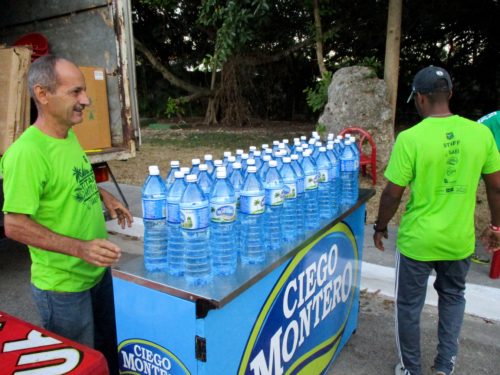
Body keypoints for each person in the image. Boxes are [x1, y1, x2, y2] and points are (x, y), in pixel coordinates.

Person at [0, 55, 133, 374]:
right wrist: (80, 248)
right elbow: (14, 226)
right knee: (81, 363)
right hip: (62, 287)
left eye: (84, 91)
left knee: (107, 352)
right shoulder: (27, 154)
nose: (85, 100)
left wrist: (105, 195)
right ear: (43, 94)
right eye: (75, 92)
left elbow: (74, 176)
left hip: (96, 273)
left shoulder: (68, 134)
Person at [372, 66, 500, 375]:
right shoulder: (480, 133)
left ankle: (411, 369)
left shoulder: (411, 138)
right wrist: (496, 227)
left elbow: (391, 194)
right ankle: (445, 367)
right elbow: (496, 186)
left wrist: (380, 226)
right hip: (458, 240)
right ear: (451, 95)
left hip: (418, 241)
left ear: (420, 99)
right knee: (454, 297)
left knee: (408, 307)